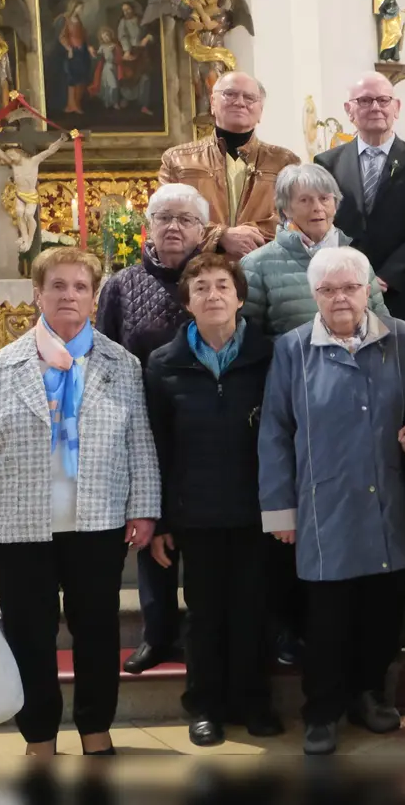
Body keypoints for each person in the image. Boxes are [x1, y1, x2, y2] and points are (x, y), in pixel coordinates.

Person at [0, 247, 160, 757]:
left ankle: (95, 729)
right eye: (58, 285)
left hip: (97, 519)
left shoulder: (121, 364)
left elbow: (140, 442)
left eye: (80, 287)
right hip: (15, 526)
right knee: (30, 633)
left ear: (93, 296)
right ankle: (39, 736)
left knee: (96, 629)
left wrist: (144, 507)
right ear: (37, 293)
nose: (69, 295)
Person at [258, 246, 405, 756]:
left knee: (382, 609)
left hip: (389, 500)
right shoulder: (292, 348)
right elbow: (275, 432)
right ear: (314, 296)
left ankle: (369, 695)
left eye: (350, 287)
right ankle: (322, 710)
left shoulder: (403, 339)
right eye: (328, 290)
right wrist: (280, 510)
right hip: (321, 505)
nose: (340, 298)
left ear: (369, 288)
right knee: (326, 619)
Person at [143, 253, 283, 746]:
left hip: (256, 510)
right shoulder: (164, 364)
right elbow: (155, 445)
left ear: (240, 296)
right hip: (195, 513)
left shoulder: (270, 356)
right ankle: (204, 705)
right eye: (200, 287)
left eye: (222, 285)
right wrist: (159, 519)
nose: (212, 295)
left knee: (253, 610)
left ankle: (254, 702)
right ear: (187, 302)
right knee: (203, 616)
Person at [96, 183, 209, 675]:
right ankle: (156, 632)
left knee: (205, 536)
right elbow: (100, 354)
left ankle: (205, 634)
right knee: (147, 527)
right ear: (148, 225)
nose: (173, 227)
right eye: (164, 217)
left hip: (207, 426)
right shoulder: (120, 285)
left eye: (185, 219)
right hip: (142, 427)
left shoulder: (217, 278)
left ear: (203, 231)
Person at [315, 72, 405, 329]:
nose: (375, 107)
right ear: (349, 110)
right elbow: (324, 225)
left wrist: (386, 277)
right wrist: (355, 278)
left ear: (397, 107)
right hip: (345, 290)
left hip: (404, 289)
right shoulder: (327, 163)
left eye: (383, 100)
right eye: (365, 101)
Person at [240, 163, 391, 337]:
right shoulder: (255, 265)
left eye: (324, 199)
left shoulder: (357, 259)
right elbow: (249, 340)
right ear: (285, 209)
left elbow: (382, 324)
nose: (317, 207)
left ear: (335, 205)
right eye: (305, 200)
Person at [159, 71, 300, 257]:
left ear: (261, 112)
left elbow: (294, 218)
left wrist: (247, 237)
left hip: (264, 270)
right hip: (197, 272)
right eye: (230, 94)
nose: (240, 102)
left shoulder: (284, 162)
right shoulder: (177, 160)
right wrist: (221, 236)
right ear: (212, 103)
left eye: (249, 98)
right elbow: (164, 217)